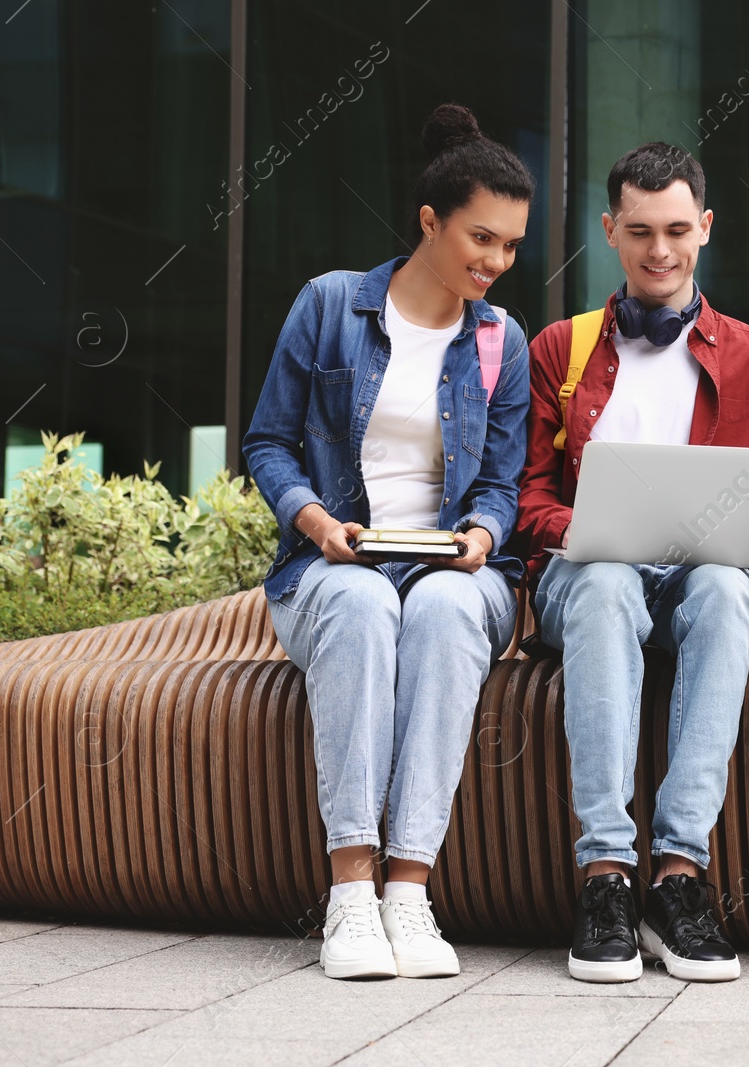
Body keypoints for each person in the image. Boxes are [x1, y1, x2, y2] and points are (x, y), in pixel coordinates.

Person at [242, 104, 533, 981]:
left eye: (512, 245)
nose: (495, 262)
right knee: (366, 601)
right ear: (430, 221)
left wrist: (483, 531)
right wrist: (316, 521)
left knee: (445, 609)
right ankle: (351, 894)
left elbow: (501, 482)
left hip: (452, 567)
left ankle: (411, 887)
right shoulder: (332, 305)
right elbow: (267, 442)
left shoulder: (499, 341)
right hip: (334, 565)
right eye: (481, 237)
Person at [517, 142, 749, 983]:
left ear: (706, 228)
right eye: (639, 230)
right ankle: (605, 875)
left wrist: (743, 537)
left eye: (678, 229)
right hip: (591, 573)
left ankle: (679, 879)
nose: (659, 250)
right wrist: (579, 527)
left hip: (696, 579)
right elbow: (526, 497)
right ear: (609, 230)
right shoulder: (559, 351)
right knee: (607, 580)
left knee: (725, 590)